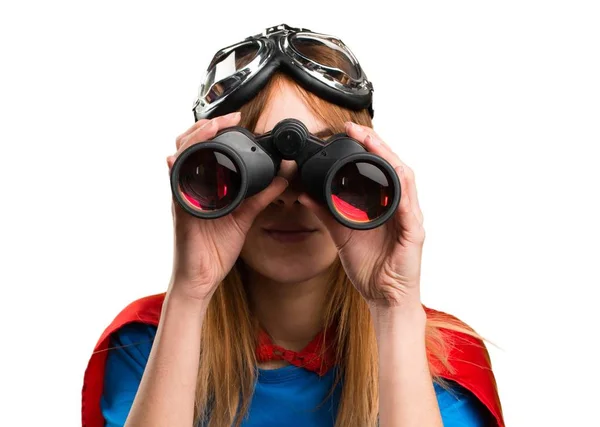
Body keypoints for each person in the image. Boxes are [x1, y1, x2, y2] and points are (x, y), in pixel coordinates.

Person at [81, 24, 504, 427]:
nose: (287, 194)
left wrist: (394, 307)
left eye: (322, 164)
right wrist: (189, 294)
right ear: (203, 175)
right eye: (253, 162)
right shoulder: (144, 342)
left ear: (370, 168)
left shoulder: (443, 357)